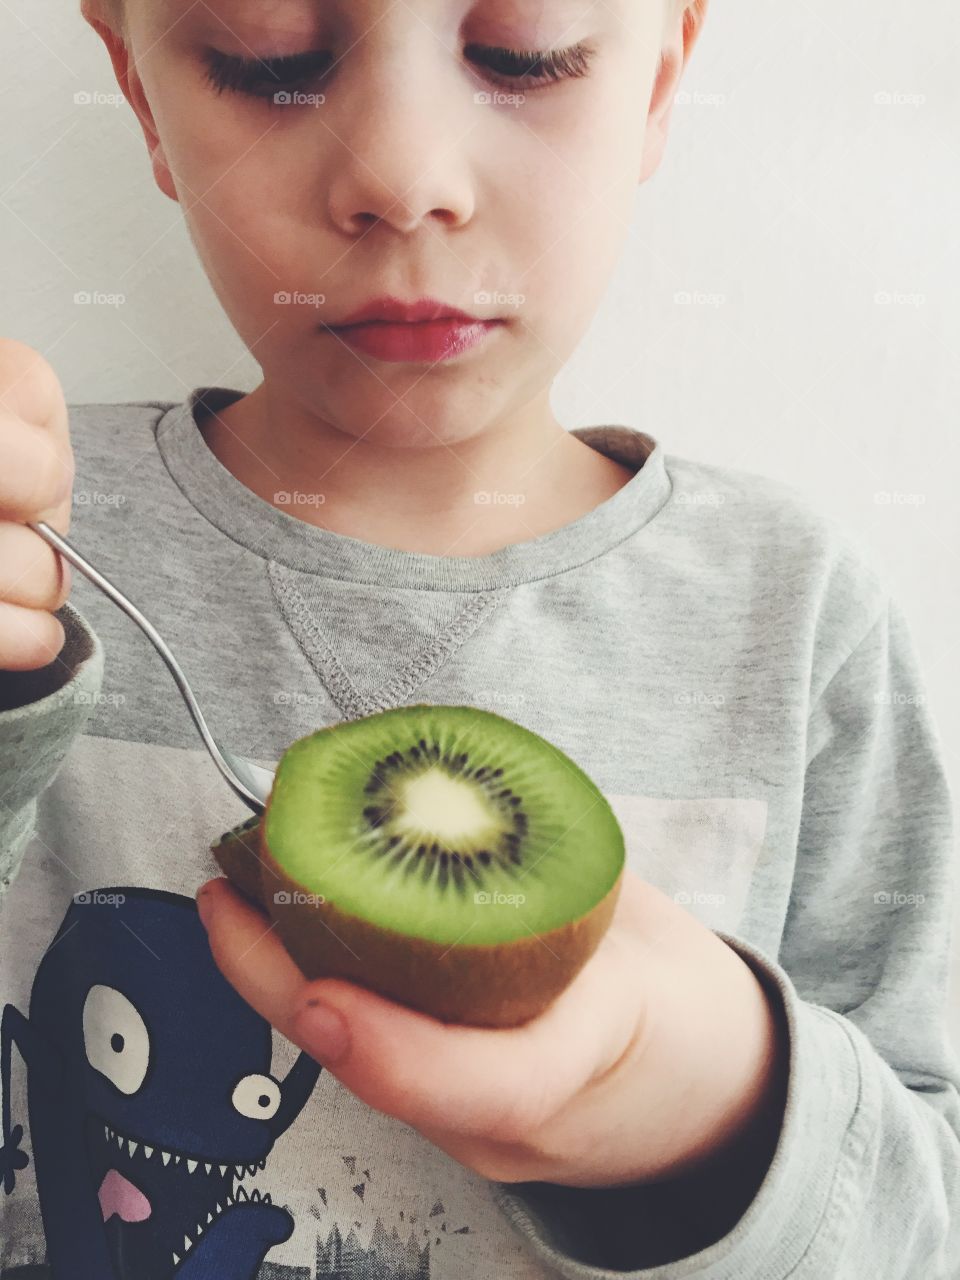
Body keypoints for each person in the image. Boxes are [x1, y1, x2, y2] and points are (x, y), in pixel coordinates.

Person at [1, 1, 957, 1276]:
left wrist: (710, 1102)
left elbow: (923, 1220)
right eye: (269, 61)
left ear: (661, 80)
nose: (403, 183)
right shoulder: (44, 549)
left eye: (527, 53)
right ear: (138, 89)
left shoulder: (791, 614)